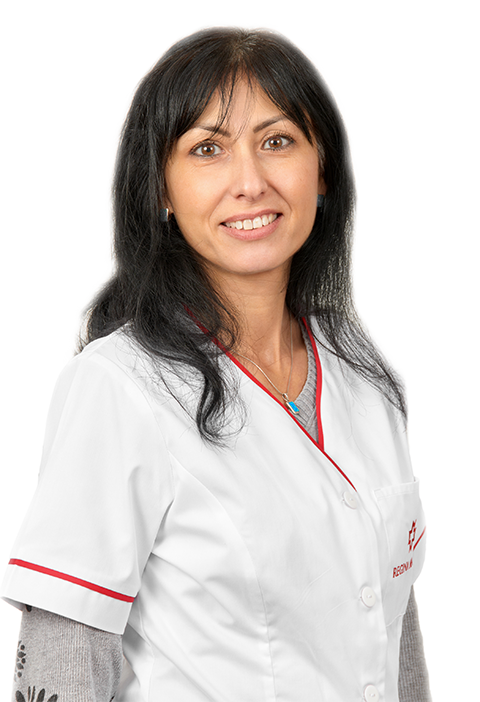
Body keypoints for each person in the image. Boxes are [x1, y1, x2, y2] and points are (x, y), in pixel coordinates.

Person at [1, 25, 432, 702]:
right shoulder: (118, 388)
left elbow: (394, 634)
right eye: (208, 149)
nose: (250, 182)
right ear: (161, 190)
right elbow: (65, 663)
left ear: (323, 170)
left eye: (278, 141)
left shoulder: (367, 375)